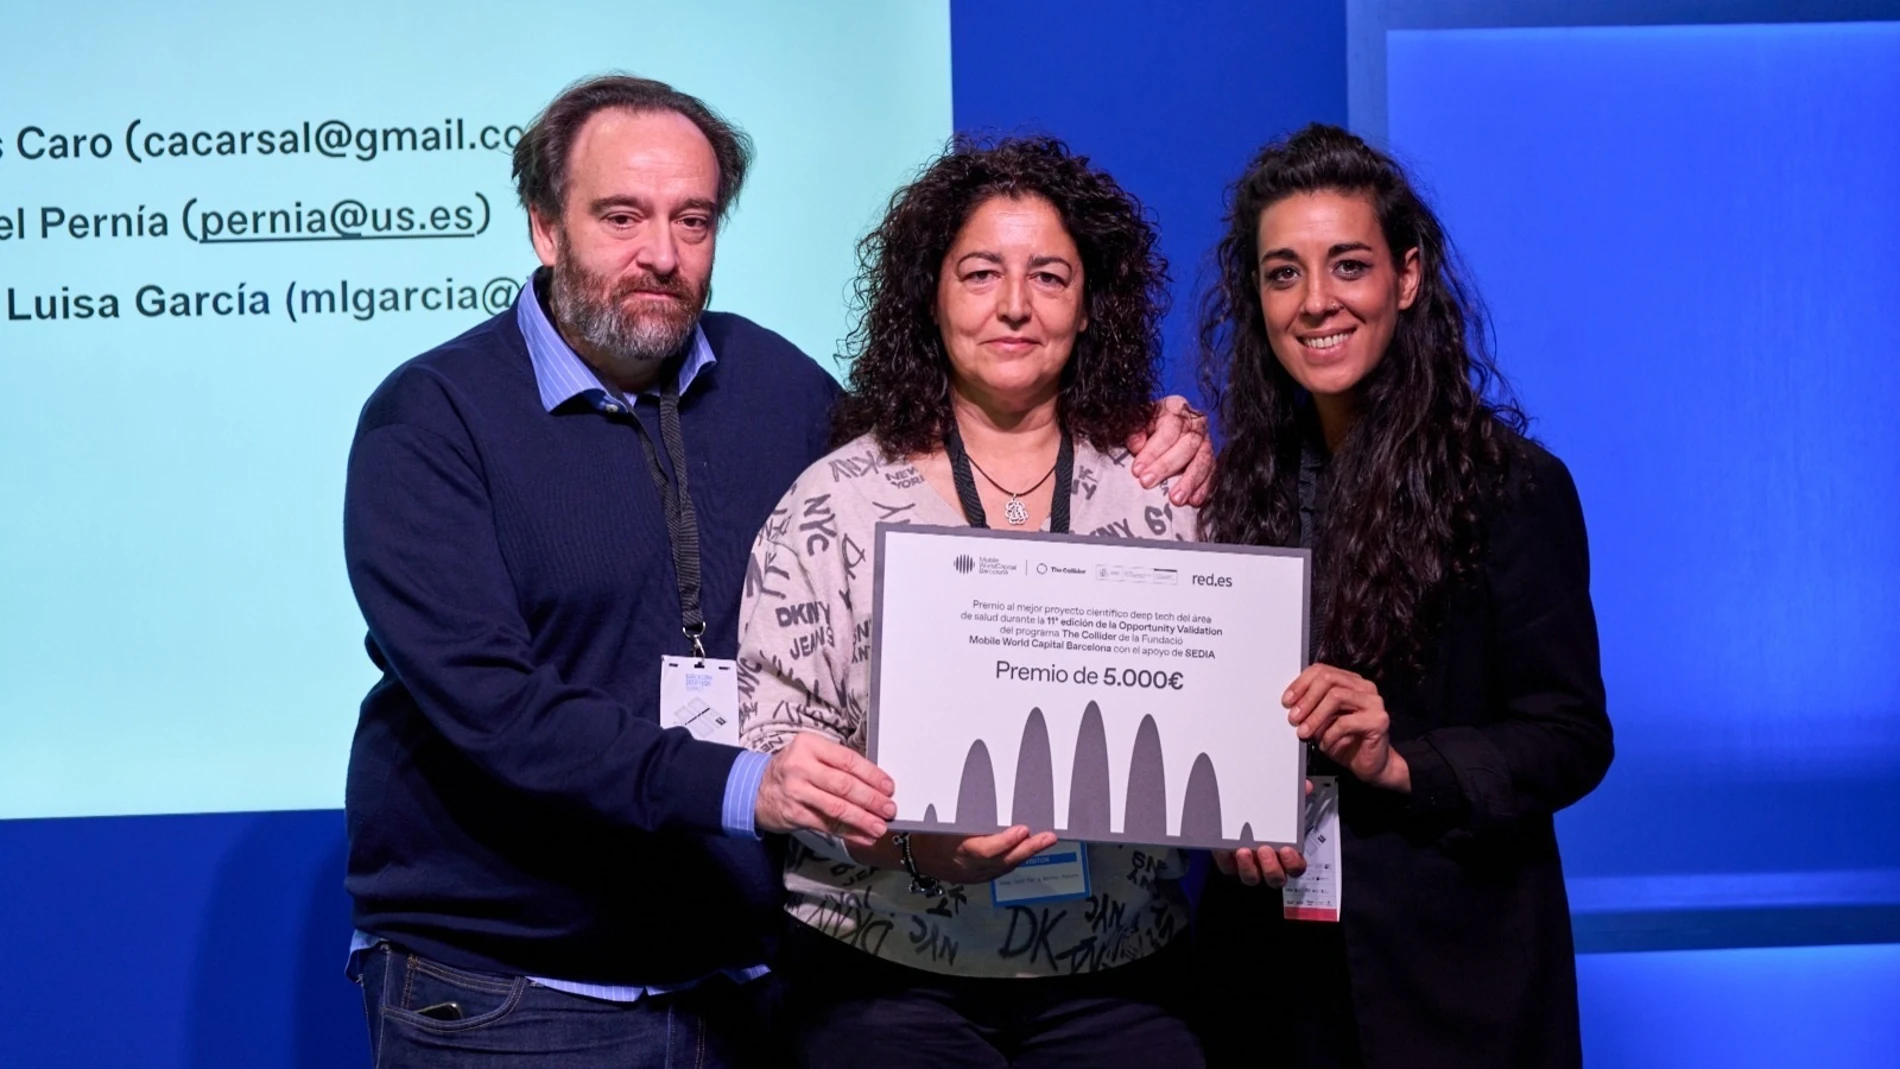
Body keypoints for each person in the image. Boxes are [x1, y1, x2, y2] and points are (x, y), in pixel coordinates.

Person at [341, 75, 1216, 1068]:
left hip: (743, 982)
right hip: (518, 982)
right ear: (545, 226)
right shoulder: (431, 420)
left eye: (693, 219)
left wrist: (1153, 430)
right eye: (620, 216)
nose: (661, 254)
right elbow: (492, 703)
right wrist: (744, 781)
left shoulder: (776, 385)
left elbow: (946, 467)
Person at [736, 136, 1264, 1069]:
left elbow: (1236, 711)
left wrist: (1255, 796)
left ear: (1091, 304)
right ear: (929, 297)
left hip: (1120, 970)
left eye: (1049, 276)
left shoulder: (1162, 486)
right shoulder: (834, 501)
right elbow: (775, 747)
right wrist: (909, 846)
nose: (1013, 305)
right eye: (979, 273)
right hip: (881, 971)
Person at [1191, 124, 1613, 1069]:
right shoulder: (1239, 485)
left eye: (1349, 265)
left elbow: (1573, 735)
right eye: (1282, 274)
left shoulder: (1510, 486)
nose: (1316, 303)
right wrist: (1216, 815)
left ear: (1408, 277)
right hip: (1264, 979)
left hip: (1454, 983)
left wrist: (1401, 765)